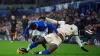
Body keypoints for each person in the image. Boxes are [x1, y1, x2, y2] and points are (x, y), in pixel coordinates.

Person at [19, 16, 88, 54]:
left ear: (71, 20)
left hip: (60, 38)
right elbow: (54, 22)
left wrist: (81, 46)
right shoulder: (63, 22)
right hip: (54, 34)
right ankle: (27, 50)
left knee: (49, 51)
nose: (66, 19)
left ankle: (38, 53)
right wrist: (46, 18)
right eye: (66, 18)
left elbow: (77, 37)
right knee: (38, 41)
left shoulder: (75, 27)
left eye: (67, 19)